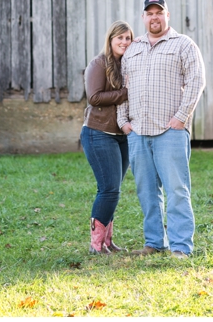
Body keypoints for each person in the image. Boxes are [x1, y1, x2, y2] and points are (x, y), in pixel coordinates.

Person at [117, 0, 205, 259]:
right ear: (143, 17)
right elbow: (123, 89)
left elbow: (196, 81)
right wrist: (124, 122)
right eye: (149, 13)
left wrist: (181, 117)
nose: (154, 17)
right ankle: (154, 242)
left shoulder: (184, 45)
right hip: (138, 132)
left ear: (167, 15)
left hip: (170, 132)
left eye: (159, 12)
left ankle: (181, 247)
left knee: (177, 190)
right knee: (146, 192)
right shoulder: (133, 48)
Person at [81, 20, 133, 254]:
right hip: (98, 132)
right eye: (119, 38)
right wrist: (125, 93)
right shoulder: (98, 63)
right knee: (109, 189)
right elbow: (94, 97)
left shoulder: (128, 64)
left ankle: (107, 242)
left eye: (128, 38)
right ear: (110, 40)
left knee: (114, 189)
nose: (124, 42)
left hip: (120, 135)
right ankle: (95, 245)